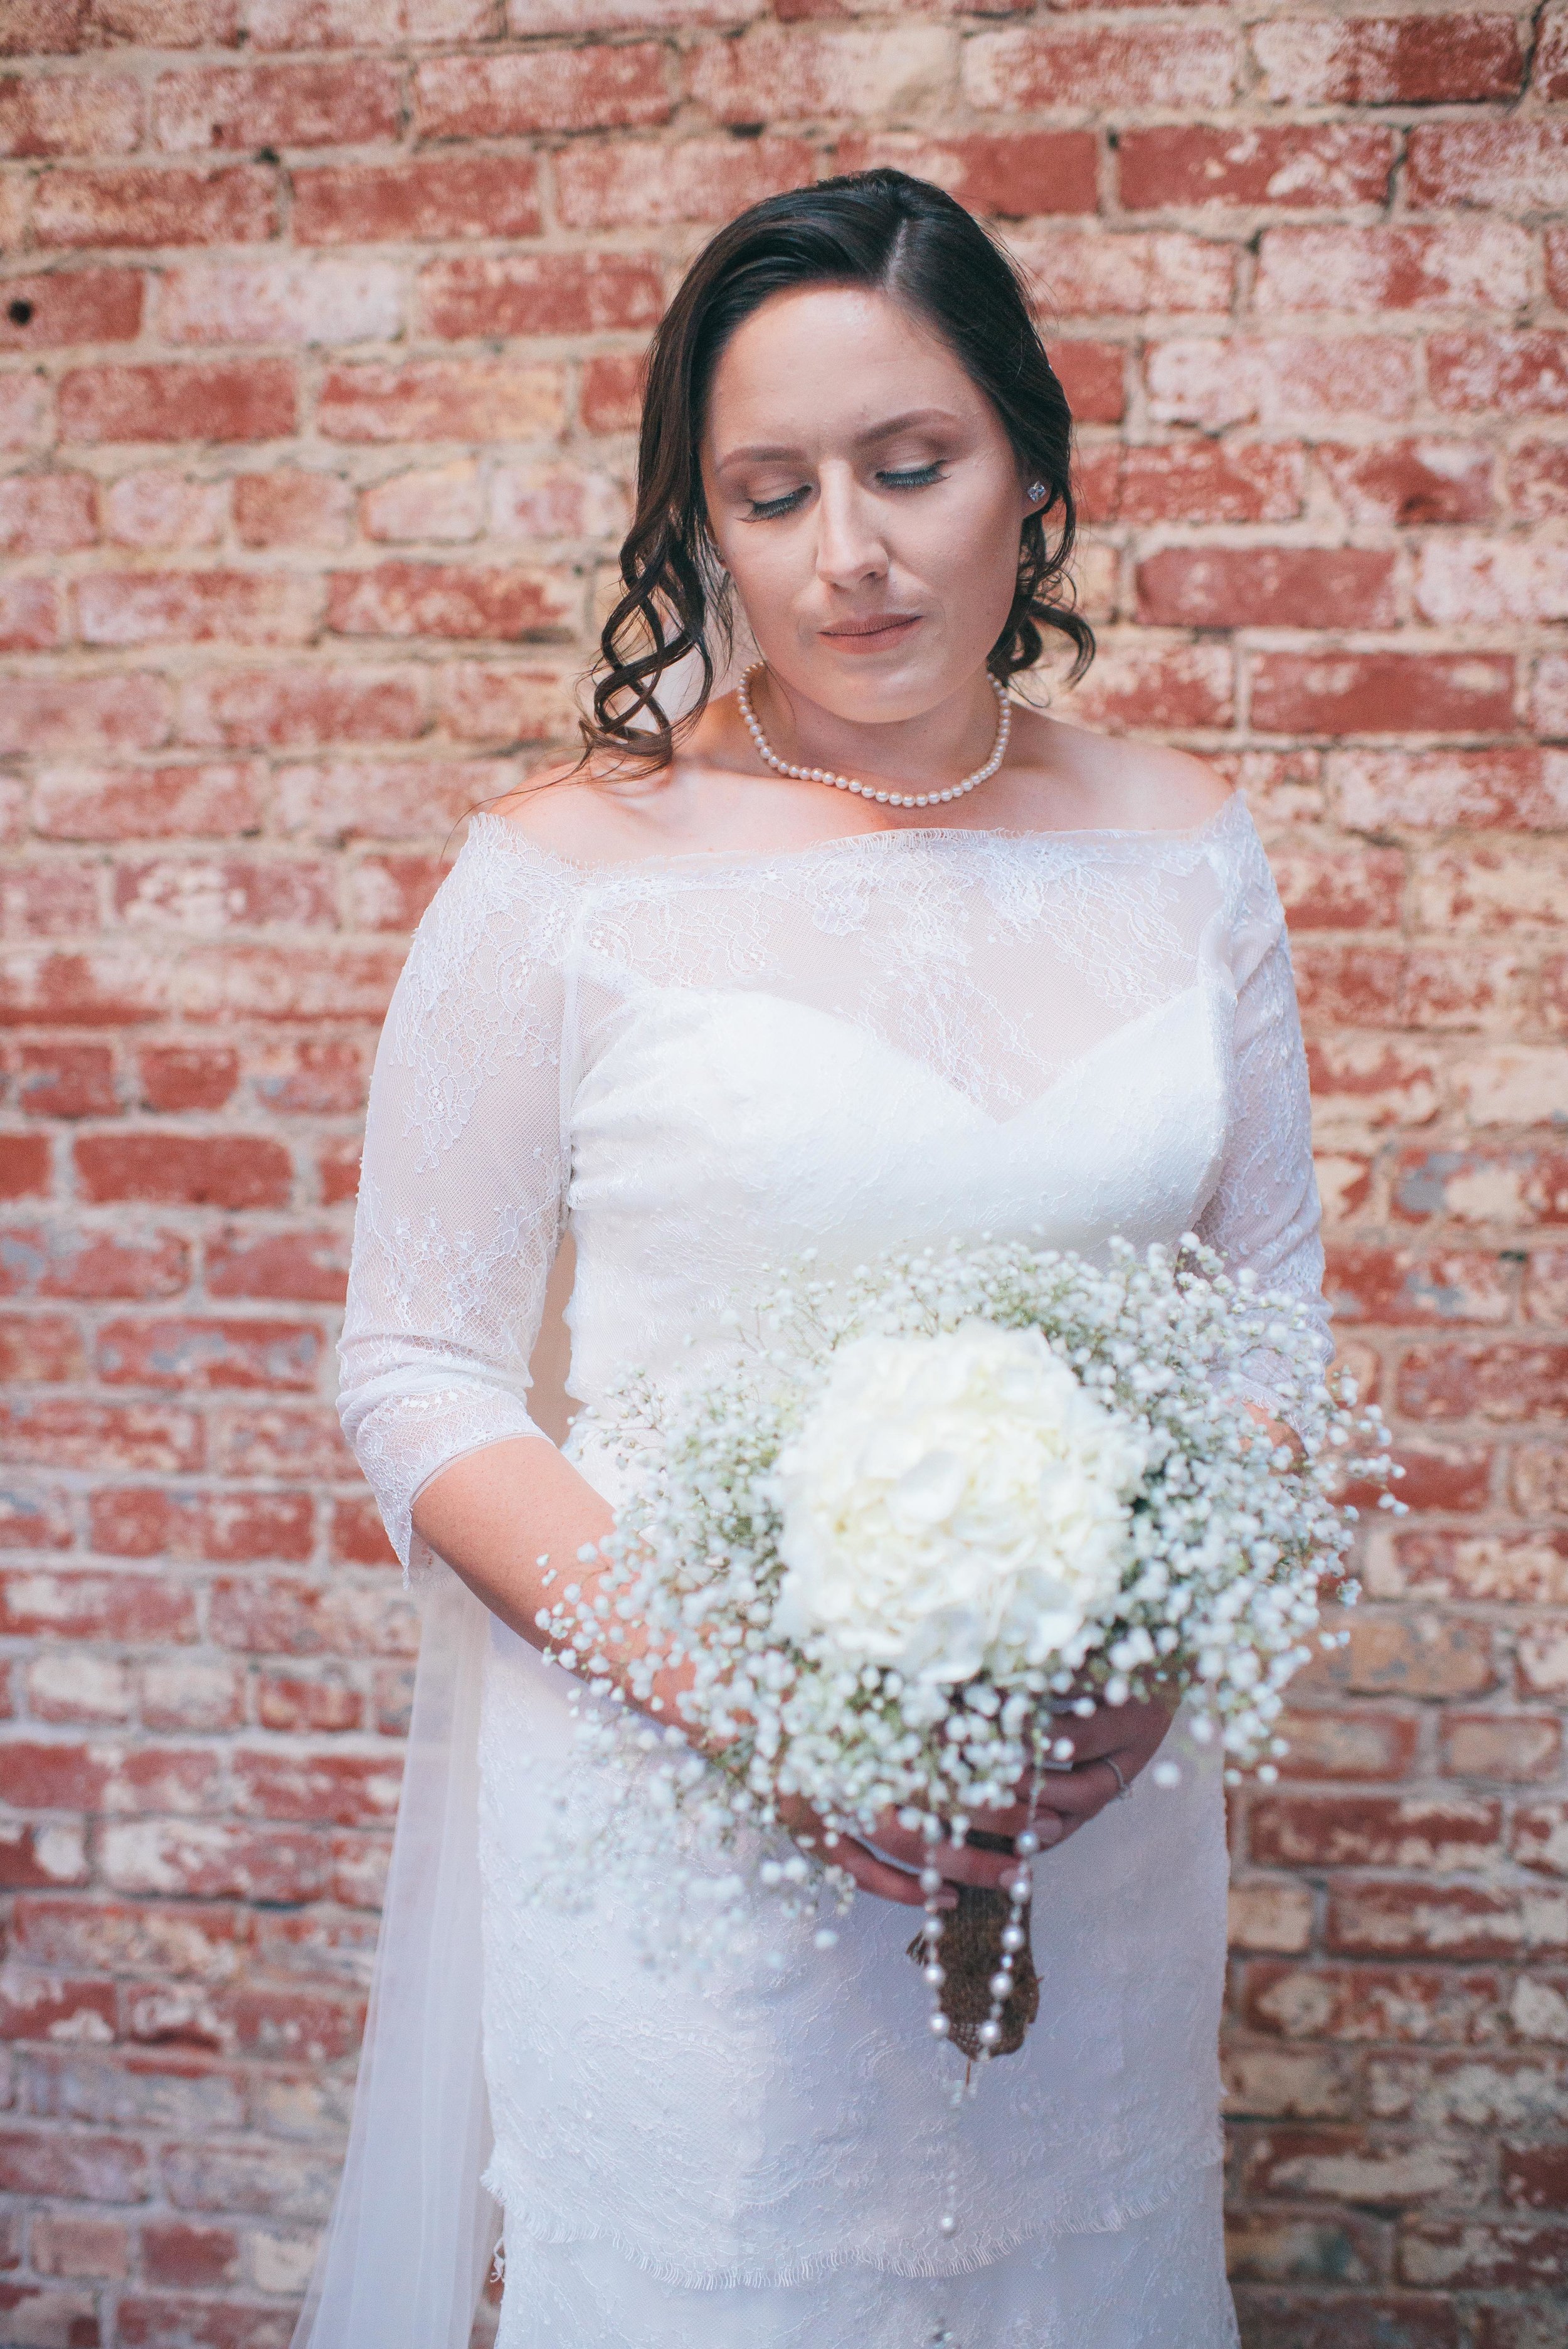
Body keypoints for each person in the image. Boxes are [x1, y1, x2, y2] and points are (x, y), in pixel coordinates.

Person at [293, 169, 1328, 2349]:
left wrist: (1137, 1667)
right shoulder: (564, 877)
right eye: (767, 494)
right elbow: (416, 1368)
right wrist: (755, 1706)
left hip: (1092, 1834)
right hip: (697, 1861)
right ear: (706, 523)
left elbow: (1268, 1330)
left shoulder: (1184, 849)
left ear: (1027, 473)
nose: (844, 552)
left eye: (909, 465)